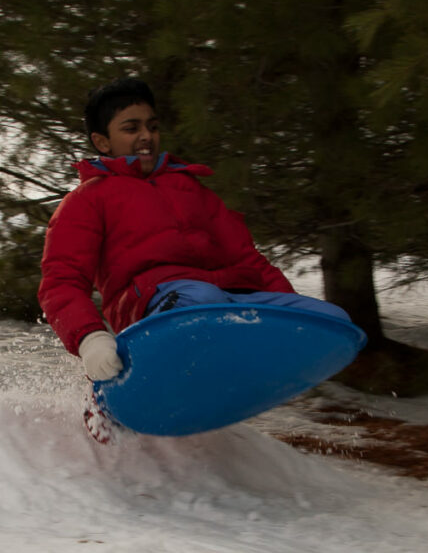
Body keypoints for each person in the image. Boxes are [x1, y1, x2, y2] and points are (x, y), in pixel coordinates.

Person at [38, 77, 352, 441]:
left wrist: (288, 315)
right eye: (131, 128)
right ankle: (113, 397)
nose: (146, 136)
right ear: (101, 141)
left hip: (230, 295)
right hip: (159, 305)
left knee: (329, 320)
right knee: (200, 302)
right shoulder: (88, 200)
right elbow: (60, 279)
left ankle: (222, 386)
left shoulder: (190, 188)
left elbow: (246, 257)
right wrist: (90, 338)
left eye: (152, 126)